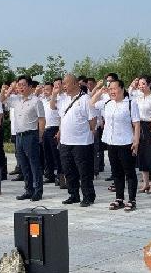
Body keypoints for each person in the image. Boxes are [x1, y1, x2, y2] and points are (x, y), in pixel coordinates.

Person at [91, 79, 140, 211]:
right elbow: (91, 103)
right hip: (111, 142)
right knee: (116, 172)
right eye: (110, 89)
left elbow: (136, 124)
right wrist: (100, 91)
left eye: (114, 88)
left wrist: (136, 141)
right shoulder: (107, 103)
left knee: (129, 172)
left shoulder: (130, 103)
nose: (112, 91)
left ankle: (132, 200)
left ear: (122, 89)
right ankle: (119, 199)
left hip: (126, 142)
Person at [51, 74, 96, 207]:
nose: (64, 86)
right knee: (69, 170)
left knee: (84, 171)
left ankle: (88, 196)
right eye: (63, 83)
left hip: (82, 142)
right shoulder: (63, 99)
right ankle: (73, 194)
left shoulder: (85, 99)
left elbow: (92, 121)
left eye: (66, 83)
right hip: (65, 141)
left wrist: (86, 132)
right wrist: (54, 93)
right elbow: (53, 107)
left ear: (75, 83)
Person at [0, 75, 45, 201]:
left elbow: (41, 119)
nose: (20, 87)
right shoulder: (16, 99)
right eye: (19, 85)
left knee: (34, 164)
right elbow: (2, 99)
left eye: (23, 85)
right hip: (19, 135)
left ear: (30, 87)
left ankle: (38, 190)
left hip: (31, 135)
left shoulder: (36, 101)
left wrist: (40, 135)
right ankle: (28, 189)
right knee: (24, 165)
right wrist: (9, 89)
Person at [129, 75, 151, 194]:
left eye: (143, 84)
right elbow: (128, 95)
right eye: (139, 84)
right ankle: (145, 183)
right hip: (139, 127)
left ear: (149, 84)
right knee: (141, 156)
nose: (141, 86)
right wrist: (132, 86)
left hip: (150, 127)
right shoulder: (138, 97)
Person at [40, 82, 61, 184]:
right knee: (47, 154)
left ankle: (60, 176)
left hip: (54, 129)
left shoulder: (58, 100)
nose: (45, 91)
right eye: (44, 89)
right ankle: (49, 175)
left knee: (56, 154)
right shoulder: (42, 101)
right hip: (45, 129)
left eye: (47, 89)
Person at [87, 77, 105, 177]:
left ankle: (96, 168)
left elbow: (97, 108)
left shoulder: (99, 93)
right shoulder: (86, 94)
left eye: (91, 84)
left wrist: (100, 121)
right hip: (89, 126)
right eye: (88, 84)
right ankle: (93, 167)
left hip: (96, 124)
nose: (89, 86)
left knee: (96, 148)